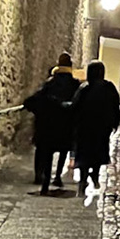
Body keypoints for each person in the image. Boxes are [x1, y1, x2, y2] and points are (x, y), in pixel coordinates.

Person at [21, 53, 79, 195]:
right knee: (63, 151)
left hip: (46, 125)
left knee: (45, 151)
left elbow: (35, 100)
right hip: (65, 125)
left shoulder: (50, 84)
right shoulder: (75, 85)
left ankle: (41, 177)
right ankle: (58, 176)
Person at [71, 59, 120, 205]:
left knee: (84, 154)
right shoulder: (109, 88)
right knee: (98, 152)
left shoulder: (84, 89)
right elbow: (115, 106)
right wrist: (114, 123)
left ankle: (83, 181)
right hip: (102, 127)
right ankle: (94, 175)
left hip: (85, 127)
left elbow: (75, 107)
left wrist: (74, 124)